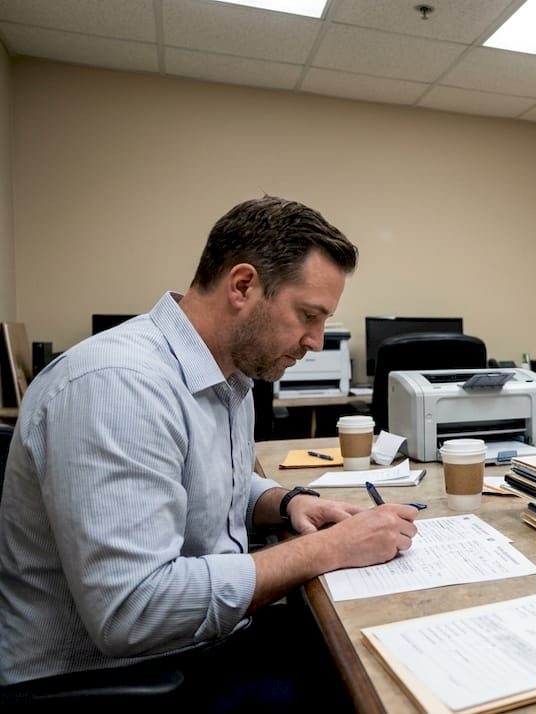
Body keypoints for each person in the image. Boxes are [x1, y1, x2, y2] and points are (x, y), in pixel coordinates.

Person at [0, 196, 420, 709]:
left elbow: (205, 480)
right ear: (242, 286)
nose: (315, 341)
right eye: (307, 316)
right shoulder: (119, 387)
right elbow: (135, 612)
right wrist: (332, 548)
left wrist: (286, 503)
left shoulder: (229, 376)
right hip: (120, 676)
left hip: (195, 644)